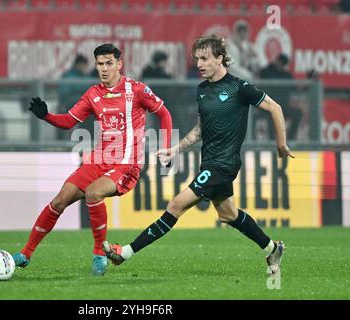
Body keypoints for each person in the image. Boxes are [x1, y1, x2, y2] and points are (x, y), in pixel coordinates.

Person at [103, 34, 294, 276]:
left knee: (175, 205)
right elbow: (201, 129)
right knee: (228, 214)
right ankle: (273, 248)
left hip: (223, 164)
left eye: (204, 58)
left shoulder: (240, 88)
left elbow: (275, 108)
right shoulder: (202, 89)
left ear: (220, 58)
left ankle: (125, 253)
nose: (199, 64)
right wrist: (176, 148)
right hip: (210, 161)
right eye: (197, 59)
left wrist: (281, 144)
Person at [13, 44, 173, 276]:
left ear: (119, 64)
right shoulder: (93, 94)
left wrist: (167, 147)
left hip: (126, 164)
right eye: (100, 64)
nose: (104, 69)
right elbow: (69, 121)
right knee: (60, 200)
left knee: (93, 193)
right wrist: (45, 116)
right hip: (98, 160)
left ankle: (100, 255)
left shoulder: (136, 90)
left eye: (109, 63)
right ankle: (26, 254)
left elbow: (164, 113)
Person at [259, 53, 302, 140]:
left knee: (298, 113)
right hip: (268, 107)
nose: (281, 66)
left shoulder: (286, 75)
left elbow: (296, 88)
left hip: (283, 107)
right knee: (271, 114)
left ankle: (289, 139)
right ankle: (271, 143)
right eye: (280, 63)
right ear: (277, 61)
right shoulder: (267, 72)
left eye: (283, 65)